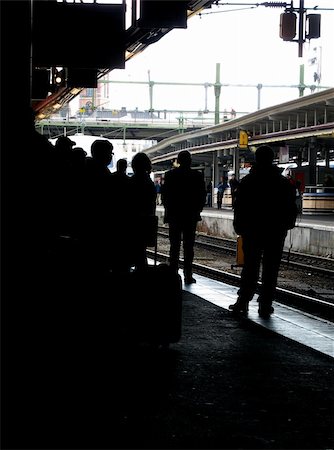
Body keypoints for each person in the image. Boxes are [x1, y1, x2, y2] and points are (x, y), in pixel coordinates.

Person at [229, 145, 298, 318]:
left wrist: (239, 226)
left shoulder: (248, 182)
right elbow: (291, 207)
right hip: (275, 231)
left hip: (252, 230)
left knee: (250, 266)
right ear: (272, 158)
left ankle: (243, 300)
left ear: (257, 159)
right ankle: (265, 304)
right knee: (271, 268)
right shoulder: (282, 182)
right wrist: (288, 224)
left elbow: (240, 207)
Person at [162, 150, 206, 284]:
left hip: (175, 215)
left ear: (178, 161)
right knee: (189, 246)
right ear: (190, 161)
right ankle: (188, 274)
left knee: (174, 245)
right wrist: (197, 211)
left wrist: (168, 211)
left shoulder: (170, 175)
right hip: (190, 215)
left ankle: (173, 272)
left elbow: (166, 196)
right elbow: (202, 195)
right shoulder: (197, 176)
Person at [128, 152, 157, 270]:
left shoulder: (130, 182)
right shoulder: (149, 183)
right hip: (146, 221)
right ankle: (141, 274)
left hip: (132, 220)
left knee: (136, 249)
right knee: (141, 250)